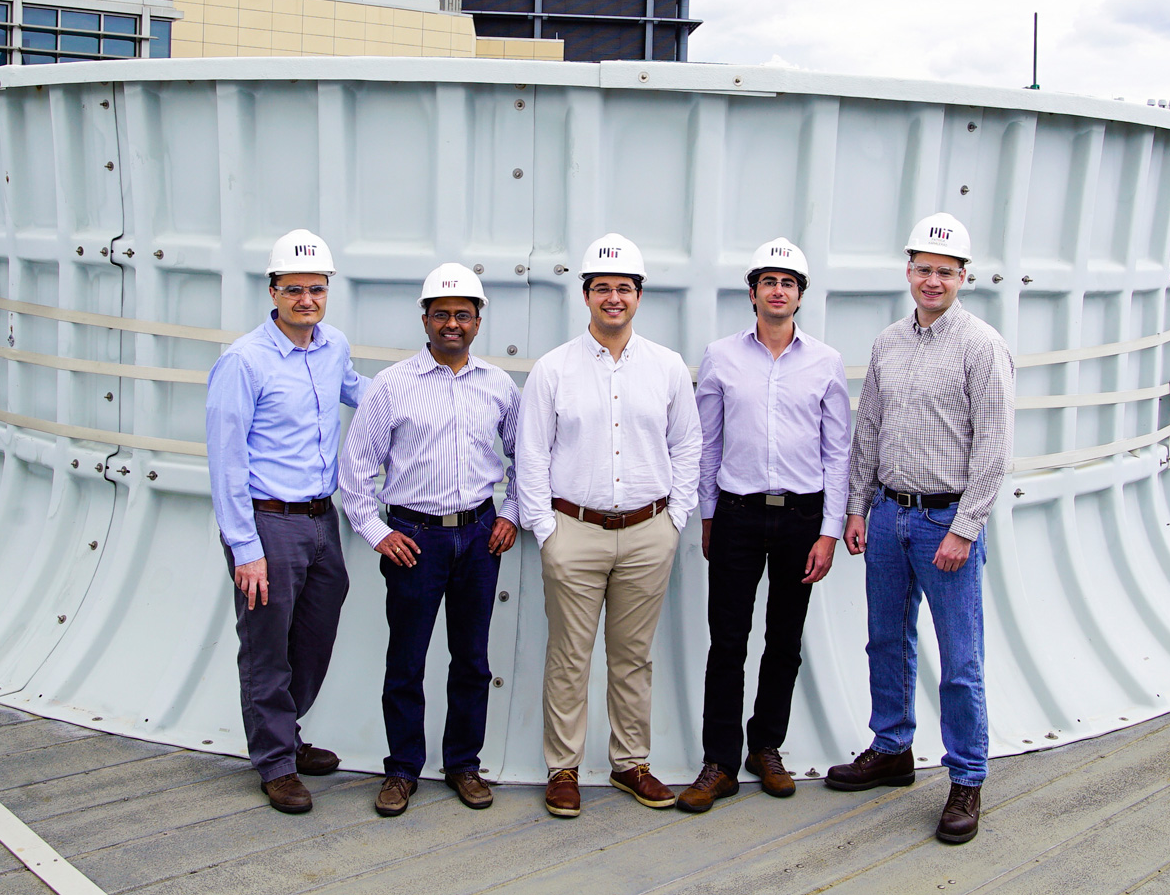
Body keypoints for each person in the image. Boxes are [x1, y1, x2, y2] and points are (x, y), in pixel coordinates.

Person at [825, 212, 1015, 844]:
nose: (932, 280)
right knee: (887, 642)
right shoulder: (887, 343)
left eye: (945, 272)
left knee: (960, 661)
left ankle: (967, 778)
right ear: (908, 271)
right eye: (923, 269)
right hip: (887, 516)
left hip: (944, 523)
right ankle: (893, 749)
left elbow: (993, 449)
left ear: (963, 277)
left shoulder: (982, 346)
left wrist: (965, 528)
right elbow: (869, 430)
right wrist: (857, 507)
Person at [517, 233, 702, 818]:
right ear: (586, 295)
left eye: (624, 288)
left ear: (639, 296)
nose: (614, 298)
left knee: (633, 656)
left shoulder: (666, 367)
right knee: (570, 656)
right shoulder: (553, 369)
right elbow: (531, 456)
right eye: (603, 288)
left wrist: (674, 520)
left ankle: (630, 764)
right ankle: (563, 769)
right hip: (573, 532)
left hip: (649, 533)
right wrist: (546, 531)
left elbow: (689, 447)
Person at [339, 262, 521, 817]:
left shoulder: (499, 386)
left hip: (478, 536)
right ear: (425, 318)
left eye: (462, 315)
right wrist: (377, 531)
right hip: (414, 539)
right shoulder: (392, 385)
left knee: (471, 659)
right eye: (441, 314)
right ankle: (402, 770)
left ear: (478, 320)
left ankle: (463, 764)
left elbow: (528, 459)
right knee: (407, 659)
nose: (451, 324)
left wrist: (510, 514)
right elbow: (356, 470)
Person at [678, 238, 851, 813]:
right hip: (737, 515)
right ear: (752, 293)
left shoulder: (825, 362)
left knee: (784, 641)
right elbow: (706, 446)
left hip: (802, 518)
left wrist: (828, 531)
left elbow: (838, 455)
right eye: (768, 281)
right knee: (727, 641)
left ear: (800, 296)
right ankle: (719, 763)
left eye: (789, 283)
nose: (779, 291)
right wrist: (707, 516)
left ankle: (766, 749)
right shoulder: (721, 356)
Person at [206, 228, 367, 814]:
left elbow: (361, 393)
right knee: (267, 645)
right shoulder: (243, 362)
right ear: (272, 291)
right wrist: (243, 546)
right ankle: (275, 761)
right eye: (293, 289)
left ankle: (287, 731)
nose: (306, 299)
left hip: (323, 520)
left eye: (316, 289)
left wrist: (429, 389)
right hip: (268, 523)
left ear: (328, 291)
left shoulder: (334, 347)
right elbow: (226, 461)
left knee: (315, 635)